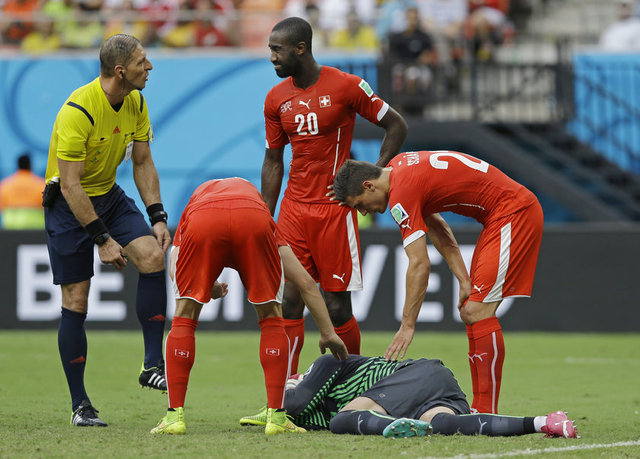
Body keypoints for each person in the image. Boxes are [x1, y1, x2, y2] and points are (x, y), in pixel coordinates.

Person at [332, 151, 544, 415]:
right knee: (470, 311)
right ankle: (481, 410)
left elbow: (419, 264)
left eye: (359, 204)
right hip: (500, 215)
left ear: (369, 185)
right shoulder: (399, 167)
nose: (363, 211)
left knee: (477, 311)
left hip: (513, 213)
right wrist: (463, 278)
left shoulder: (401, 193)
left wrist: (407, 325)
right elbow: (437, 227)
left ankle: (485, 411)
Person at [262, 16, 408, 374]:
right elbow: (273, 161)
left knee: (337, 307)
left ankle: (349, 382)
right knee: (290, 301)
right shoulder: (275, 99)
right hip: (293, 211)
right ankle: (286, 389)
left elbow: (396, 125)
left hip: (334, 211)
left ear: (301, 49)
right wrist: (265, 216)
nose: (272, 58)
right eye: (270, 50)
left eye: (277, 50)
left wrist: (372, 176)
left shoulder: (346, 86)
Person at [149, 177, 348, 436]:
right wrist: (328, 332)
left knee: (184, 317)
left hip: (203, 219)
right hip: (252, 219)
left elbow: (177, 271)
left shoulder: (194, 205)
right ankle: (277, 417)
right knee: (271, 318)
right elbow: (306, 283)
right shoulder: (261, 212)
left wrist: (208, 288)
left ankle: (174, 417)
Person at [44, 34, 171, 427]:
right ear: (120, 71)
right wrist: (102, 239)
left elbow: (143, 162)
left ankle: (152, 365)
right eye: (142, 62)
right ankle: (80, 405)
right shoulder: (78, 111)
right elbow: (70, 185)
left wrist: (157, 215)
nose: (149, 67)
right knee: (76, 300)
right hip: (69, 205)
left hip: (109, 196)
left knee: (152, 257)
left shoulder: (136, 102)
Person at [240, 353, 578, 439]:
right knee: (443, 425)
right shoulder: (313, 417)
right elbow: (299, 415)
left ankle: (392, 425)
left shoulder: (327, 363)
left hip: (414, 376)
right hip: (434, 387)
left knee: (343, 420)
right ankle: (544, 422)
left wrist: (285, 393)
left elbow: (295, 402)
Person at [0, 153, 46, 229]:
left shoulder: (5, 185)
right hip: (36, 229)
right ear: (30, 165)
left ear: (17, 165)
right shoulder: (41, 185)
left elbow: (2, 207)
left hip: (10, 228)